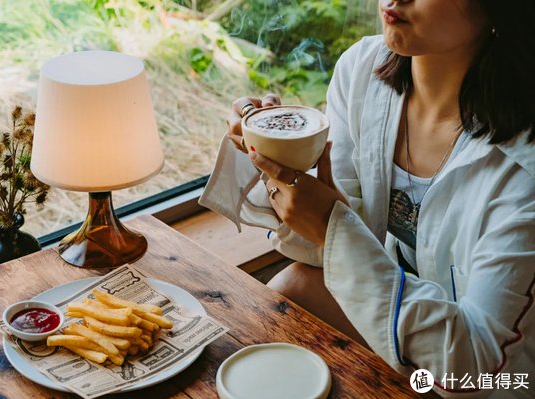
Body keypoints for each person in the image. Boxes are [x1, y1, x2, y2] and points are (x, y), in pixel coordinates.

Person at [199, 0, 535, 397]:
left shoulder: (522, 170)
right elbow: (329, 252)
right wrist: (280, 159)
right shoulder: (362, 72)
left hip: (485, 379)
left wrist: (333, 228)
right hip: (408, 317)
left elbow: (474, 368)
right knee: (293, 288)